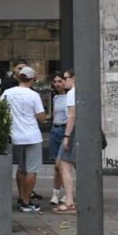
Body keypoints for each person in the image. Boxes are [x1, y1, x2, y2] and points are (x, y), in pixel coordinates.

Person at [2, 66, 46, 212]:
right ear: (31, 80)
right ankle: (26, 202)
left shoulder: (8, 92)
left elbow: (0, 109)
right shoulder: (33, 95)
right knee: (32, 170)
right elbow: (42, 117)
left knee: (21, 169)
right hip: (32, 136)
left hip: (15, 135)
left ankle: (21, 198)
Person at [54, 69, 77, 213]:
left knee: (64, 166)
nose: (64, 81)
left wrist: (66, 137)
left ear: (74, 78)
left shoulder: (72, 93)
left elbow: (72, 116)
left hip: (74, 132)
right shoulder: (83, 92)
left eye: (66, 78)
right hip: (84, 132)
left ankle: (69, 202)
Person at [49, 72, 69, 205]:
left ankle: (68, 193)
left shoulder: (71, 96)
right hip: (55, 130)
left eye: (60, 81)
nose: (57, 84)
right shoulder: (55, 97)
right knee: (57, 167)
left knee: (60, 165)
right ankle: (56, 194)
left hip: (65, 131)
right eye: (55, 81)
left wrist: (67, 134)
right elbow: (55, 114)